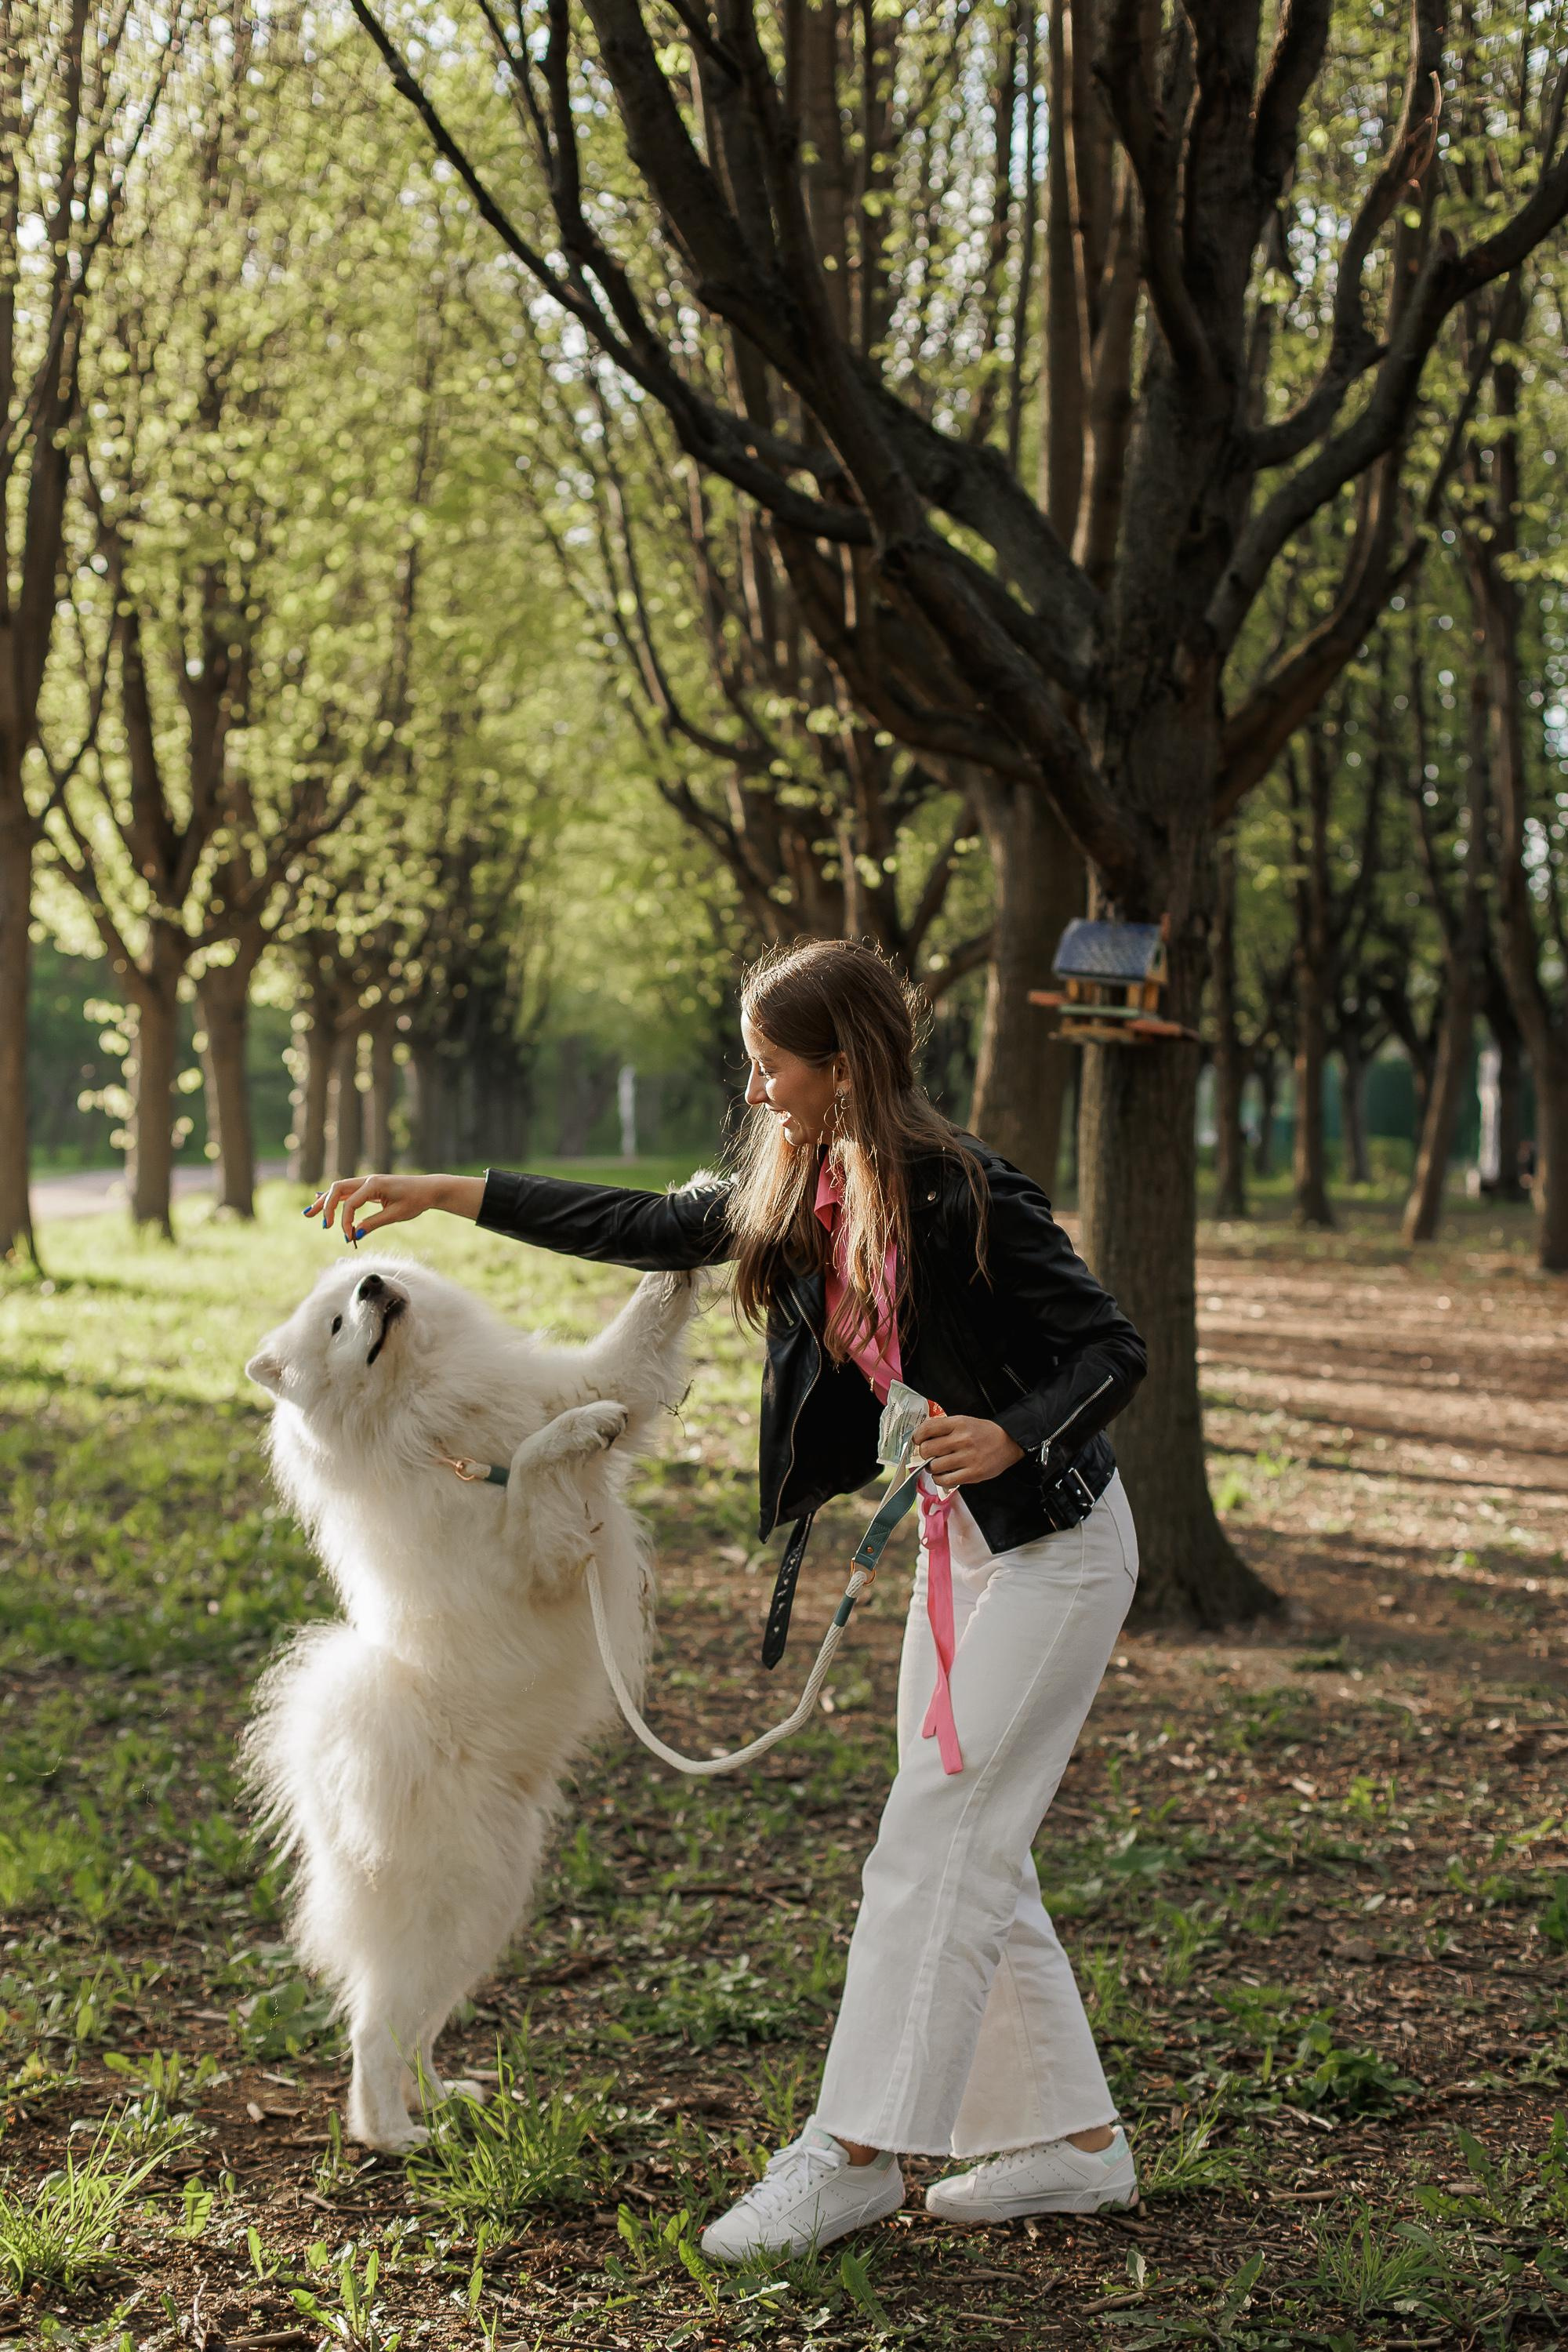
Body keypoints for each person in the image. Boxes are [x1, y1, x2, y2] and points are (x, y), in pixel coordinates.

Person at [308, 938, 1147, 2259]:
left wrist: (1012, 1433)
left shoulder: (963, 1190)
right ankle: (1073, 2144)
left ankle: (854, 2152)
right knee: (971, 1838)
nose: (755, 1095)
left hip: (1055, 1545)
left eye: (772, 1069)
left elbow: (1112, 1348)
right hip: (961, 1551)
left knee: (934, 1843)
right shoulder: (810, 1184)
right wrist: (445, 1192)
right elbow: (643, 1224)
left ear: (844, 1066)